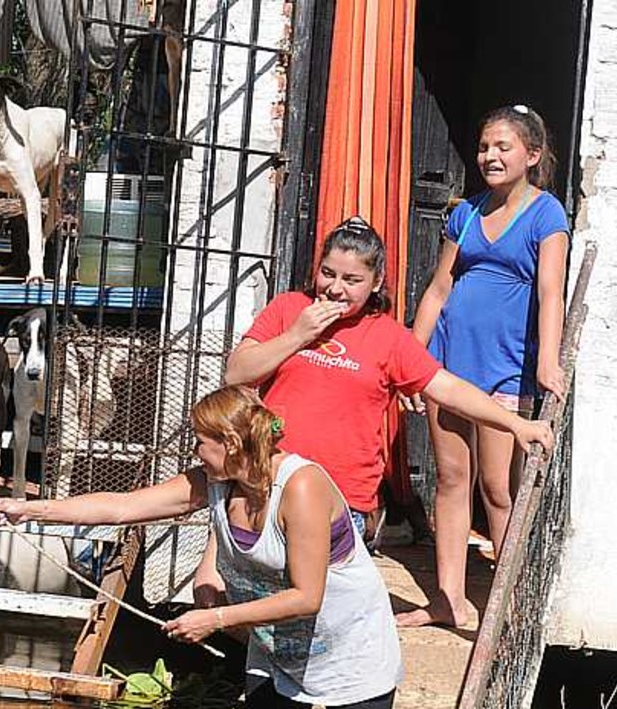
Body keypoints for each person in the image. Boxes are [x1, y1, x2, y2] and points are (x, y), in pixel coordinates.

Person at [0, 385, 406, 709]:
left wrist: (214, 620)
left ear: (231, 443)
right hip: (275, 647)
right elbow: (123, 507)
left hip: (349, 645)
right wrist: (27, 510)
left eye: (200, 442)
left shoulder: (301, 487)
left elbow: (307, 596)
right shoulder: (215, 481)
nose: (195, 452)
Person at [197, 216, 555, 607]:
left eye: (351, 280)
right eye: (327, 273)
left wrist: (515, 423)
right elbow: (237, 372)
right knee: (262, 622)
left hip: (339, 504)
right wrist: (298, 335)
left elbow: (447, 388)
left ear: (376, 282)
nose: (334, 289)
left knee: (315, 618)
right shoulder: (288, 310)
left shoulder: (388, 338)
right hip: (269, 491)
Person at [398, 104, 572, 630]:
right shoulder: (465, 213)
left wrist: (548, 360)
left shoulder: (546, 215)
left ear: (532, 155)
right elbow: (439, 288)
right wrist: (411, 355)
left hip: (506, 366)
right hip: (450, 363)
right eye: (484, 147)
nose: (490, 156)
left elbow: (550, 291)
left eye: (503, 147)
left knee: (498, 486)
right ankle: (447, 599)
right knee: (452, 478)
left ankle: (506, 607)